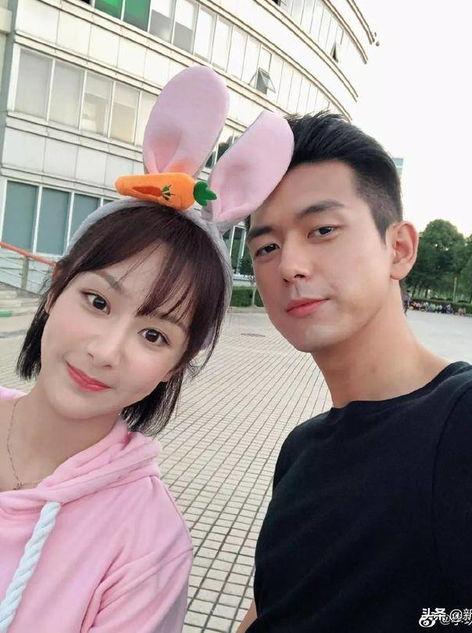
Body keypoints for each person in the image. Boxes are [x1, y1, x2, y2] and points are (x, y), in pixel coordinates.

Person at [0, 66, 294, 632]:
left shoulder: (147, 546)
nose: (106, 350)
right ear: (55, 289)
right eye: (97, 302)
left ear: (177, 365)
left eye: (154, 334)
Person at [238, 112, 472, 632]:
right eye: (267, 247)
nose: (289, 265)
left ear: (398, 249)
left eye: (322, 230)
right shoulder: (301, 449)